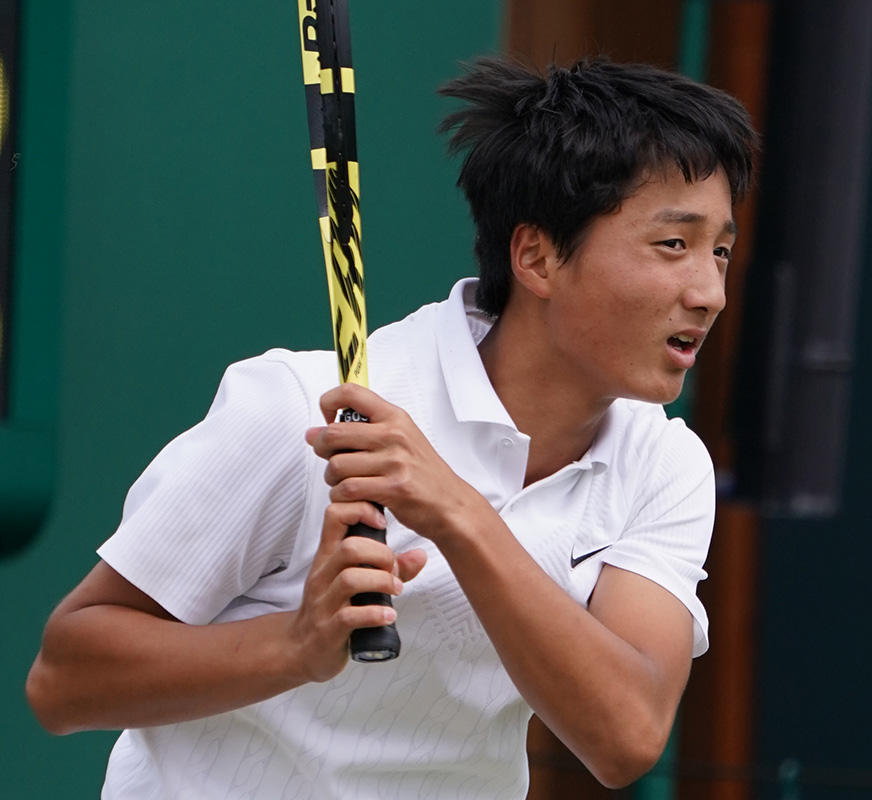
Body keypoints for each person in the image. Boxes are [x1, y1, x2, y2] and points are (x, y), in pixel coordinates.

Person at [27, 56, 757, 798]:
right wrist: (295, 646)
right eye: (674, 245)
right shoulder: (298, 407)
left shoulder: (665, 464)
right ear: (536, 256)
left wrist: (456, 512)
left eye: (720, 251)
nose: (709, 292)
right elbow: (63, 680)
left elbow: (625, 736)